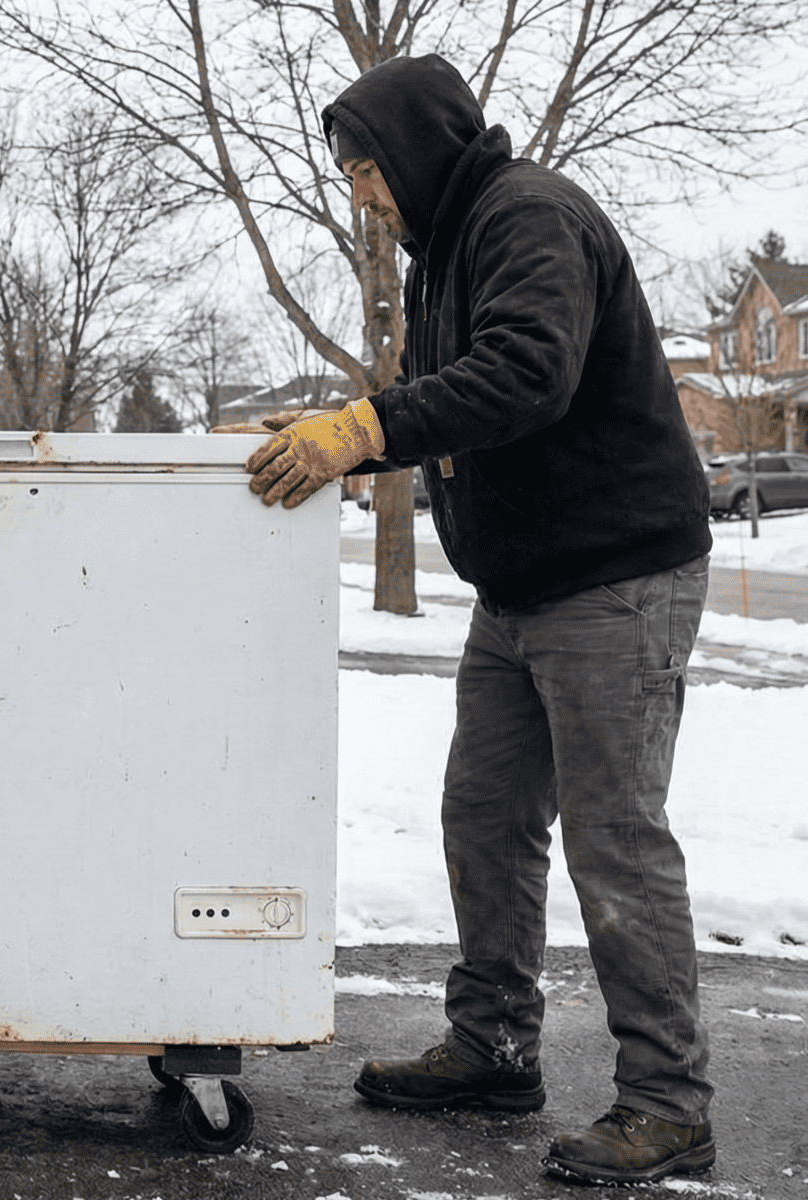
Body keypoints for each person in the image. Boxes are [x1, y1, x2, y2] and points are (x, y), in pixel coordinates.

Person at [239, 54, 715, 1187]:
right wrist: (353, 428)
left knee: (616, 839)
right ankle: (495, 1043)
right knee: (484, 815)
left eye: (364, 168)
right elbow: (466, 402)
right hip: (522, 591)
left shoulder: (528, 216)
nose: (360, 195)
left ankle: (668, 1103)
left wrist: (363, 429)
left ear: (416, 146)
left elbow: (528, 372)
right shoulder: (450, 248)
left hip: (615, 580)